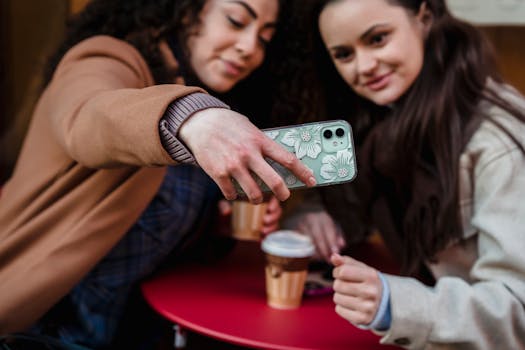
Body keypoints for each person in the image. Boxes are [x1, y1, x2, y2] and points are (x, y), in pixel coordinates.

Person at [0, 0, 317, 348]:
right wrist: (190, 117)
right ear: (186, 11)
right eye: (236, 20)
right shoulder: (108, 57)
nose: (249, 47)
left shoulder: (229, 107)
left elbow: (148, 235)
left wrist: (215, 227)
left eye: (265, 39)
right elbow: (89, 117)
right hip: (39, 328)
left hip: (138, 331)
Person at [284, 0, 525, 348]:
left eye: (378, 39)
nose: (364, 67)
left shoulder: (497, 143)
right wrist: (315, 217)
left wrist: (394, 304)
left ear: (424, 16)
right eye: (343, 55)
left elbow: (517, 308)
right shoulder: (383, 117)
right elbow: (349, 207)